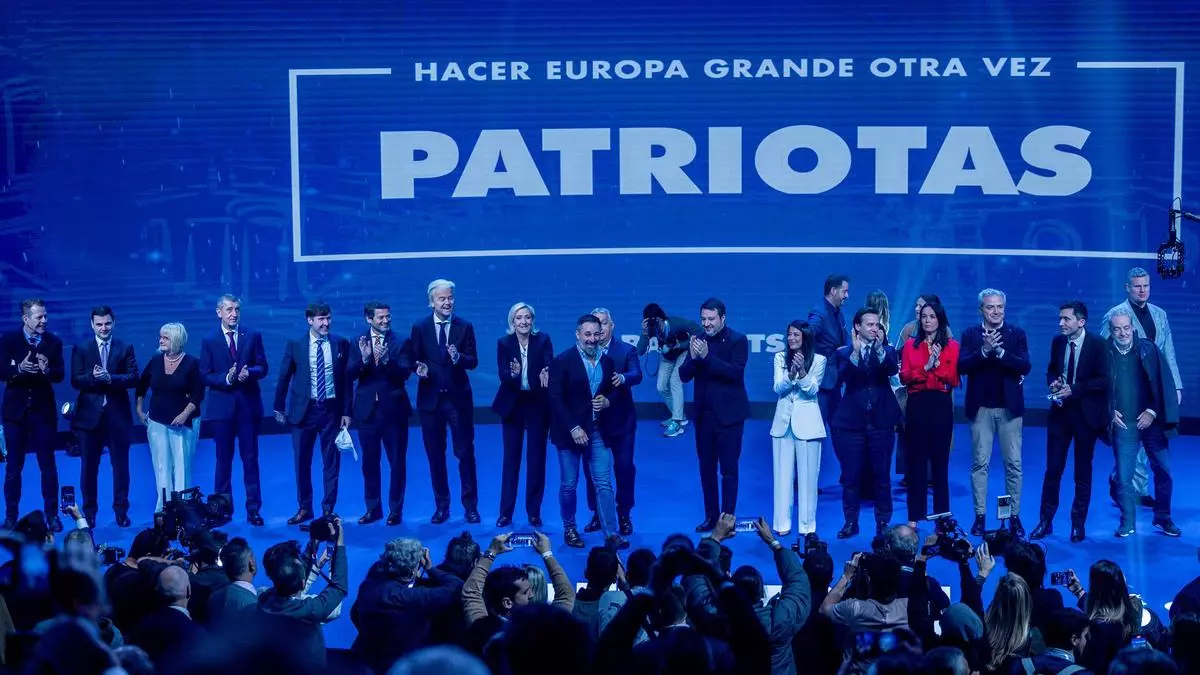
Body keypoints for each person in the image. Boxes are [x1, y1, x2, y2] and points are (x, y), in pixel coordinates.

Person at [1101, 267, 1183, 509]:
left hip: (1154, 388)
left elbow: (1168, 351)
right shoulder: (1115, 315)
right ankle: (1125, 484)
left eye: (1145, 285)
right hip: (1127, 389)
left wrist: (1175, 386)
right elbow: (1103, 355)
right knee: (1132, 439)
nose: (1142, 290)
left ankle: (1134, 486)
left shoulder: (1160, 314)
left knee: (1151, 440)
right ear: (1127, 287)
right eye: (1137, 286)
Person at [1031, 301, 1110, 544]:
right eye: (1060, 318)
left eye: (1066, 319)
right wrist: (1054, 382)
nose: (1061, 323)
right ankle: (1045, 521)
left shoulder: (1098, 344)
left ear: (1081, 321)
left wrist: (1074, 389)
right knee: (1053, 469)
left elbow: (1104, 380)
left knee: (1082, 473)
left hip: (1086, 417)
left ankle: (1077, 524)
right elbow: (1051, 370)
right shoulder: (1058, 342)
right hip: (1060, 414)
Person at [957, 288, 1031, 537]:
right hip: (981, 410)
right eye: (990, 307)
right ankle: (980, 516)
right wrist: (983, 351)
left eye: (1000, 307)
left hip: (1010, 410)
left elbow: (1024, 365)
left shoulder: (1016, 334)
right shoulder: (970, 335)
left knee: (1014, 465)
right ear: (981, 310)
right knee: (980, 464)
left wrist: (999, 352)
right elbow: (962, 366)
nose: (996, 311)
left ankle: (1013, 516)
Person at [548, 314, 623, 549]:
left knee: (604, 483)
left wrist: (608, 401)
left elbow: (614, 391)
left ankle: (611, 533)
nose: (592, 339)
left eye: (596, 334)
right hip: (568, 433)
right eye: (587, 334)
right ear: (578, 334)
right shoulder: (562, 361)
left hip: (596, 431)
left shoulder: (607, 362)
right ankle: (570, 529)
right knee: (569, 485)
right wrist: (573, 427)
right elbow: (555, 398)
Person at [273, 302, 352, 524]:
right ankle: (305, 508)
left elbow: (346, 381)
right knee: (302, 462)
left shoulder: (341, 343)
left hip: (331, 412)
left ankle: (328, 511)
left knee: (331, 462)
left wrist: (347, 411)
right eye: (321, 319)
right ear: (310, 320)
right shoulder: (296, 345)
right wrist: (278, 406)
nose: (326, 323)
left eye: (328, 318)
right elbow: (284, 377)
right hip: (303, 413)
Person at [1105, 309, 1180, 538]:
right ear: (1111, 331)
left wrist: (1152, 411)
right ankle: (1127, 522)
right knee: (1124, 477)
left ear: (1133, 328)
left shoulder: (1149, 349)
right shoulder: (1103, 353)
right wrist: (1109, 411)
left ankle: (1163, 518)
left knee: (1164, 471)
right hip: (1123, 424)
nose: (1123, 333)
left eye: (1126, 328)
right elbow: (1096, 387)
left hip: (1152, 422)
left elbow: (1163, 383)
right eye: (1117, 329)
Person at [410, 279, 480, 525]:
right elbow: (413, 358)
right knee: (435, 456)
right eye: (442, 298)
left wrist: (458, 357)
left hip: (458, 401)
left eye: (450, 298)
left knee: (465, 454)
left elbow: (473, 361)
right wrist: (417, 368)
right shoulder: (420, 327)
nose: (447, 302)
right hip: (430, 402)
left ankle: (470, 507)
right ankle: (442, 507)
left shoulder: (464, 326)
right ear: (431, 302)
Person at [679, 298, 750, 533]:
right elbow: (683, 376)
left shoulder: (738, 341)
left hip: (730, 418)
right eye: (703, 319)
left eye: (711, 319)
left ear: (723, 318)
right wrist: (693, 358)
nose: (706, 323)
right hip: (704, 418)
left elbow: (734, 374)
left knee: (728, 470)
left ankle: (726, 520)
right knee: (706, 469)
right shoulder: (698, 341)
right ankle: (711, 517)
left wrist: (707, 358)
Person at [199, 294, 268, 527]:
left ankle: (253, 509)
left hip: (248, 408)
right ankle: (222, 509)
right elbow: (204, 375)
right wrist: (226, 378)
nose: (234, 314)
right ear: (219, 312)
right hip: (221, 411)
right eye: (229, 309)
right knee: (223, 460)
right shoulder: (209, 339)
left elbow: (263, 366)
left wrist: (251, 372)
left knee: (250, 460)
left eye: (237, 309)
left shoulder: (253, 335)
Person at [831, 308, 901, 539]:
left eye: (877, 325)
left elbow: (891, 369)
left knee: (882, 477)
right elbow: (843, 377)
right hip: (852, 425)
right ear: (857, 327)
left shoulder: (888, 350)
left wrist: (879, 349)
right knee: (851, 476)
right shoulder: (844, 353)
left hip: (881, 423)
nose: (874, 328)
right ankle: (851, 522)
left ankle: (883, 522)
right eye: (869, 324)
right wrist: (855, 353)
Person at [69, 306, 138, 528]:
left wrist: (110, 378)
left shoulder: (125, 347)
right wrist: (93, 377)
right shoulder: (82, 348)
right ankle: (89, 512)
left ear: (113, 323)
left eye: (107, 323)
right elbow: (76, 380)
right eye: (99, 324)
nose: (103, 328)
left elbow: (133, 377)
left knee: (121, 467)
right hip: (89, 418)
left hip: (118, 417)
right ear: (92, 325)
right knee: (89, 467)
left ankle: (121, 511)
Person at [1, 299, 65, 531]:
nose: (44, 321)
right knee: (13, 468)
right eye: (39, 317)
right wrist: (18, 369)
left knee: (47, 466)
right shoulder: (8, 340)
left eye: (45, 316)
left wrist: (47, 370)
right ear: (25, 318)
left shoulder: (53, 342)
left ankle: (52, 515)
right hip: (15, 413)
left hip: (42, 413)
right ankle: (11, 516)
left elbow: (59, 374)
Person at [347, 300, 412, 526]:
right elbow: (349, 375)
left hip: (394, 412)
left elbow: (405, 373)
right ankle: (373, 508)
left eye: (388, 316)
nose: (386, 321)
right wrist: (364, 359)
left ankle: (395, 510)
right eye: (381, 317)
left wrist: (387, 360)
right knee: (369, 464)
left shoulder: (401, 340)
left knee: (397, 463)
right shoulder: (357, 341)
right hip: (367, 413)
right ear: (369, 319)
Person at [490, 302, 553, 528]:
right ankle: (505, 513)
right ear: (512, 321)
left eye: (527, 317)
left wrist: (547, 371)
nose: (524, 322)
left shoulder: (543, 340)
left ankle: (534, 512)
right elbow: (503, 374)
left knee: (536, 459)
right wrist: (513, 374)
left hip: (537, 404)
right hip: (513, 404)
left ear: (532, 320)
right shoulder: (504, 343)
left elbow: (549, 364)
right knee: (511, 459)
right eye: (519, 318)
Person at [583, 308, 643, 536]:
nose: (599, 329)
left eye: (604, 323)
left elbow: (637, 374)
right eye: (595, 324)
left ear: (612, 325)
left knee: (624, 468)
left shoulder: (626, 350)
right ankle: (598, 514)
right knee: (593, 472)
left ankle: (624, 514)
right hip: (593, 423)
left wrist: (623, 377)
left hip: (621, 422)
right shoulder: (583, 352)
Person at [899, 301, 959, 522]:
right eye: (924, 316)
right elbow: (905, 377)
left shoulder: (952, 346)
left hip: (940, 404)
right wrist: (925, 368)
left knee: (940, 462)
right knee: (916, 462)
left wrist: (937, 364)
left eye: (932, 316)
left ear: (940, 319)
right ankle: (915, 516)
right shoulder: (910, 346)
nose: (927, 320)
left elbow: (953, 378)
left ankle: (942, 517)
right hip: (917, 404)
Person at [136, 322, 204, 513]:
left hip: (182, 424)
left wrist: (184, 415)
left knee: (182, 466)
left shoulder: (192, 363)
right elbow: (142, 386)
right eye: (160, 337)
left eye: (165, 337)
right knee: (161, 465)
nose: (161, 340)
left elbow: (198, 394)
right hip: (157, 422)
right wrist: (139, 409)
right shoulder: (155, 361)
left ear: (176, 340)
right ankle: (164, 506)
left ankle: (183, 507)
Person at [770, 320, 826, 536]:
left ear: (805, 338)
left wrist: (802, 372)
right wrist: (790, 374)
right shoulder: (780, 358)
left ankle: (807, 526)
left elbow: (812, 390)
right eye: (789, 334)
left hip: (808, 426)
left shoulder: (819, 360)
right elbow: (778, 388)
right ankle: (782, 524)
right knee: (782, 478)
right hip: (782, 425)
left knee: (808, 479)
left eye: (796, 335)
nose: (791, 338)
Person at [808, 275, 851, 485]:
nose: (847, 295)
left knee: (839, 429)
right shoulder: (819, 313)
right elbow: (806, 336)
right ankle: (807, 479)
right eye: (844, 291)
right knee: (815, 433)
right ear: (833, 291)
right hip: (821, 385)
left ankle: (848, 474)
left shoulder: (838, 313)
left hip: (834, 383)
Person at [636, 303, 697, 438]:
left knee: (675, 381)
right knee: (661, 386)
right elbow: (640, 351)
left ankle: (677, 422)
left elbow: (698, 332)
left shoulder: (677, 323)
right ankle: (679, 415)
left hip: (682, 353)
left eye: (654, 321)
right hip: (667, 356)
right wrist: (645, 333)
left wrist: (680, 344)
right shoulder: (650, 330)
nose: (652, 324)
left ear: (661, 319)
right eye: (648, 321)